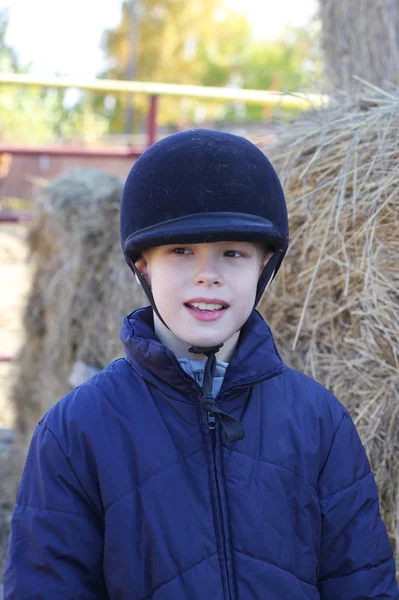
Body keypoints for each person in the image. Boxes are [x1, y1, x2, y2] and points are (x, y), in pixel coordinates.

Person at [4, 129, 398, 599]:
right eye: (180, 251)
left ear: (264, 264)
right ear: (143, 266)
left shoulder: (320, 422)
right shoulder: (75, 432)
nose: (207, 275)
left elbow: (363, 583)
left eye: (232, 253)